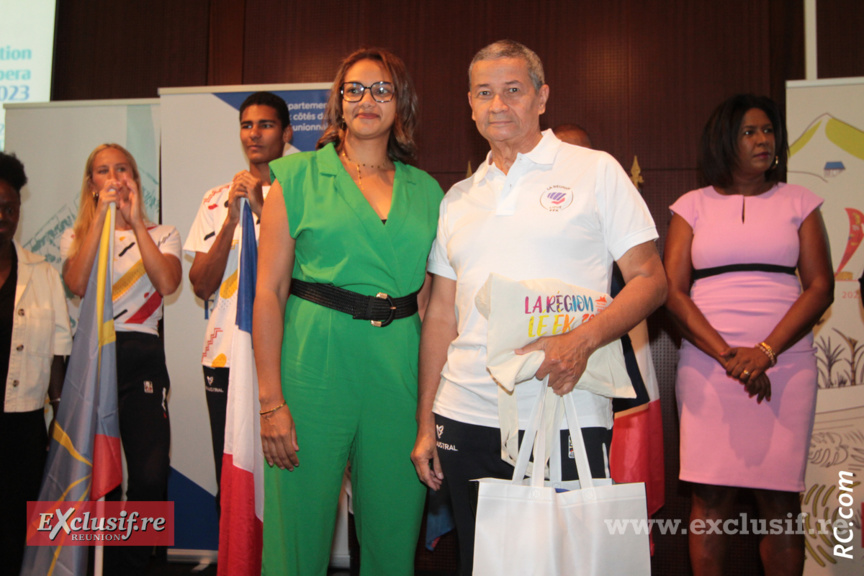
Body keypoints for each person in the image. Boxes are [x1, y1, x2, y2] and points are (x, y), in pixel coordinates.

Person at [410, 40, 667, 574]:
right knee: (481, 563)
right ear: (470, 103)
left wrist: (582, 341)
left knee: (564, 564)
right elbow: (439, 316)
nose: (498, 104)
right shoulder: (459, 197)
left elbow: (650, 280)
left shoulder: (594, 171)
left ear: (541, 96)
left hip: (564, 407)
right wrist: (425, 423)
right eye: (485, 92)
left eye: (513, 90)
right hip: (465, 413)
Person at [253, 48, 443, 576]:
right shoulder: (293, 178)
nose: (367, 100)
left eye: (382, 90)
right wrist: (271, 402)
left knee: (394, 534)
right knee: (297, 536)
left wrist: (430, 408)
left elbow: (431, 305)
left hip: (398, 371)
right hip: (315, 365)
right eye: (355, 89)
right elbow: (268, 293)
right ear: (337, 102)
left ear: (399, 103)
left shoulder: (428, 192)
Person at [664, 94, 834, 576]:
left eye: (768, 131)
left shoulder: (800, 200)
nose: (764, 140)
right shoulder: (691, 206)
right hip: (708, 363)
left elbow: (820, 286)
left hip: (786, 363)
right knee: (710, 499)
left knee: (780, 503)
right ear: (724, 141)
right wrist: (728, 356)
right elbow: (673, 291)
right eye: (749, 132)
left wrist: (764, 352)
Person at [61, 143, 182, 576]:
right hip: (93, 360)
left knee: (151, 478)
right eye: (103, 171)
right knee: (101, 480)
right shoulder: (75, 237)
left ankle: (132, 567)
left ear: (135, 177)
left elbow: (168, 282)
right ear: (91, 184)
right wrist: (102, 220)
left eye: (123, 169)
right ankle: (103, 567)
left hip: (142, 356)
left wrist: (134, 224)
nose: (114, 178)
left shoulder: (164, 232)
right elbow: (76, 281)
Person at [185, 91, 295, 496]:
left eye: (265, 124)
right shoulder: (216, 200)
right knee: (232, 477)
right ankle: (237, 560)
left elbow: (310, 274)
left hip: (285, 355)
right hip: (225, 354)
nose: (254, 133)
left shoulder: (301, 196)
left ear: (286, 132)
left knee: (285, 475)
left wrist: (264, 208)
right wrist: (233, 218)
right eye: (246, 125)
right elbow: (200, 284)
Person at [0, 152, 72, 576]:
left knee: (17, 526)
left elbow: (60, 349)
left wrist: (59, 420)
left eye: (10, 207)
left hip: (22, 423)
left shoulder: (42, 273)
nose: (3, 216)